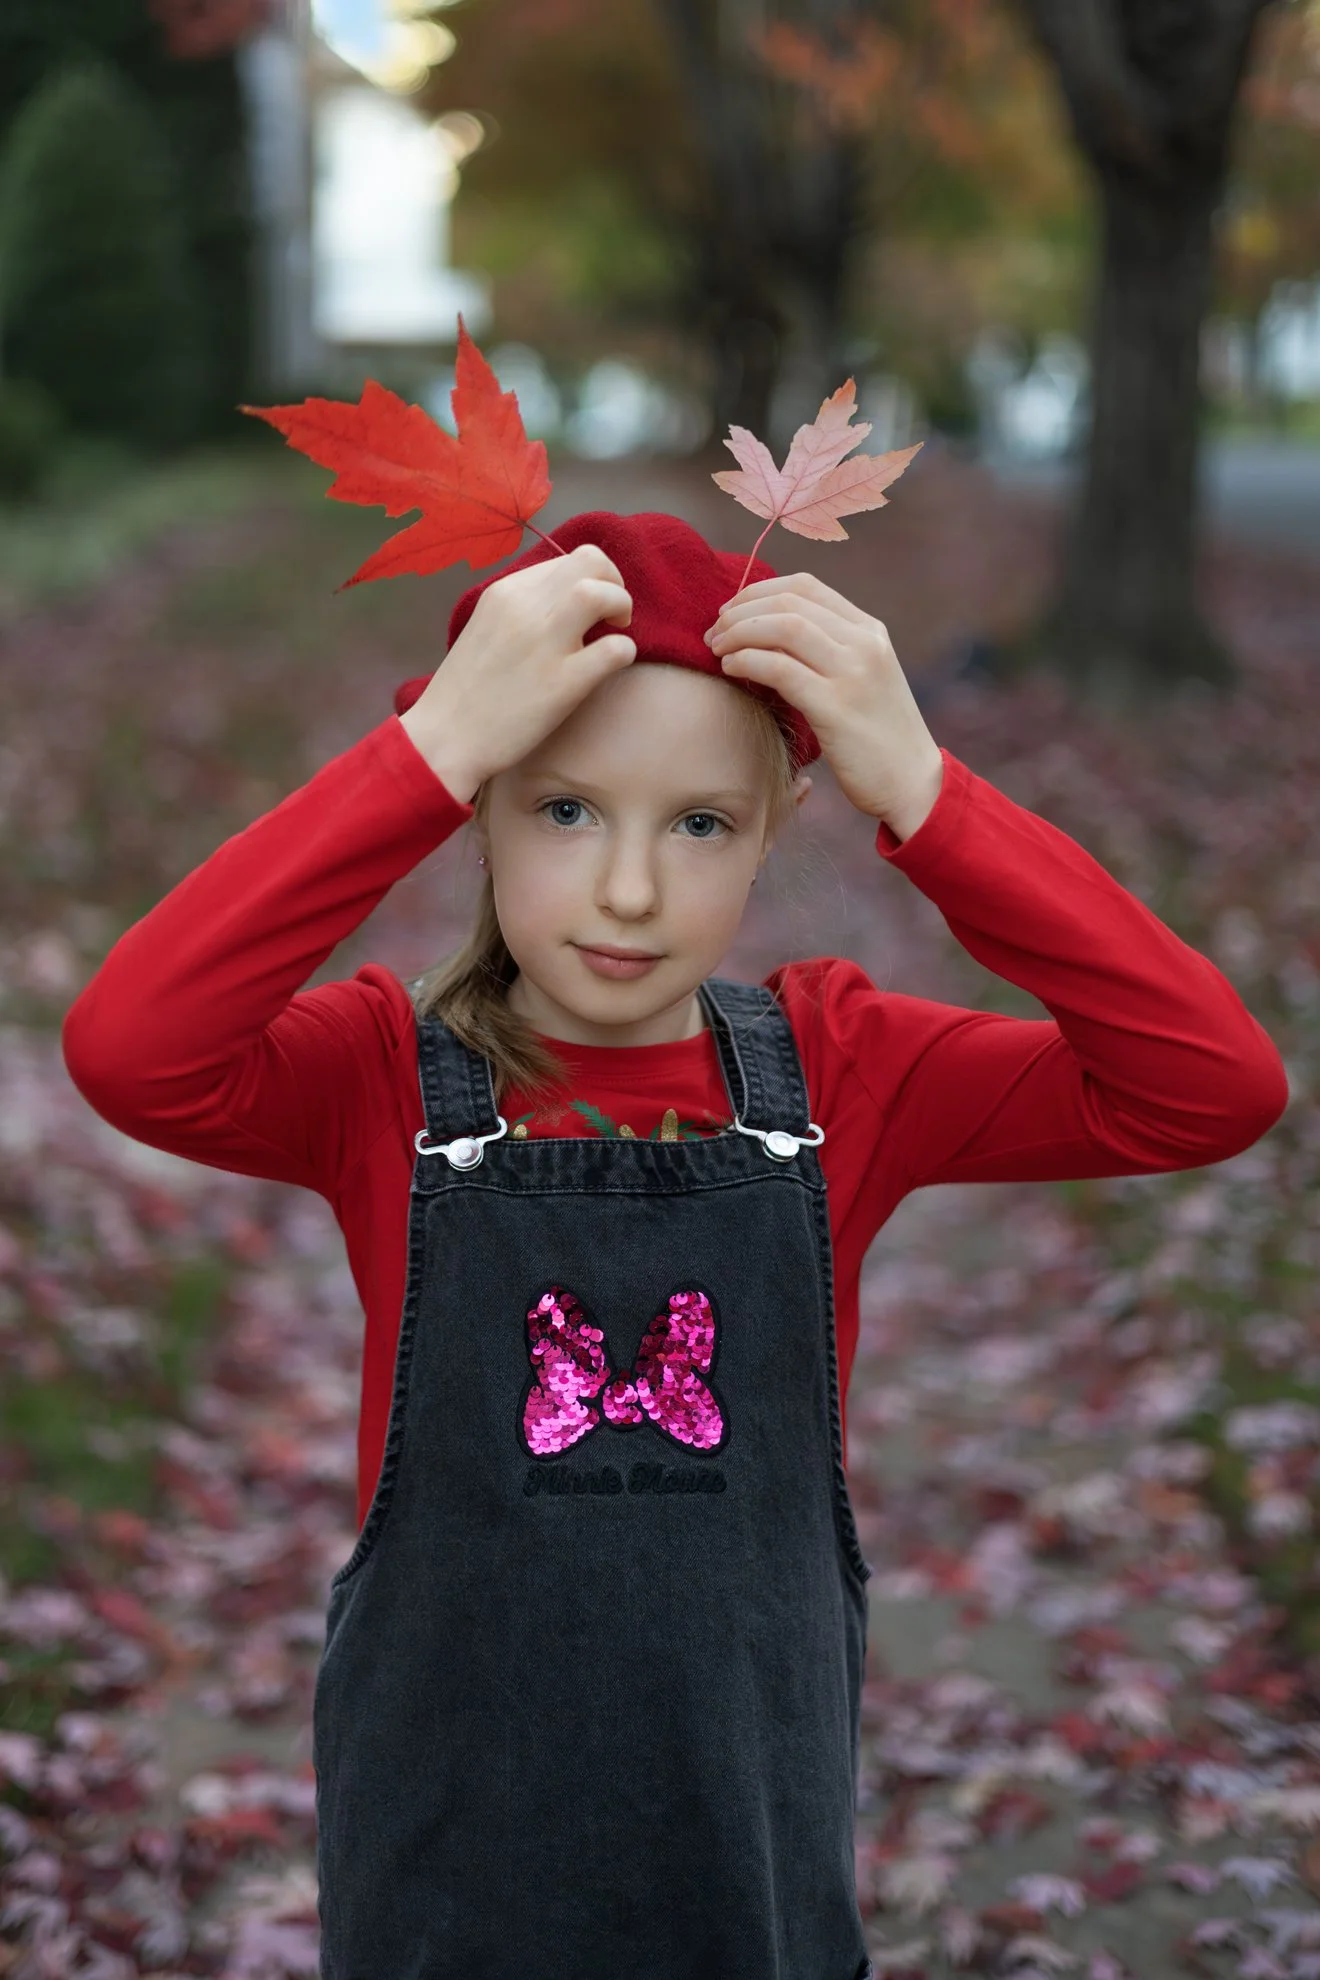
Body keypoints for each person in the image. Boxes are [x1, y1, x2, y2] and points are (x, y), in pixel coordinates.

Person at [62, 506, 1288, 1980]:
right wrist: (426, 749)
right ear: (479, 811)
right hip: (449, 1856)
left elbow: (1208, 1087)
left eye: (699, 823)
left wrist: (929, 792)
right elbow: (132, 1049)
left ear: (773, 829)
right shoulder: (381, 1077)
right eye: (563, 809)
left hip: (746, 1851)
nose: (630, 890)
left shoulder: (839, 1073)